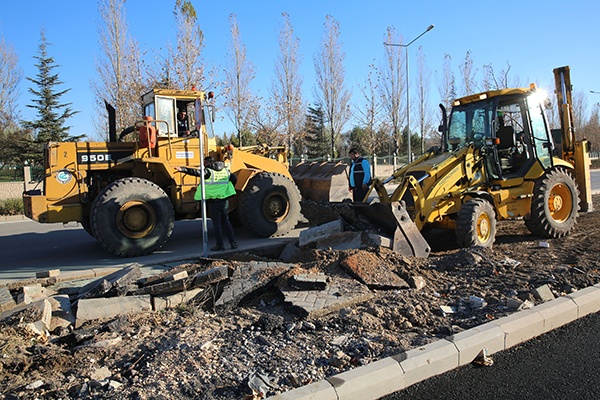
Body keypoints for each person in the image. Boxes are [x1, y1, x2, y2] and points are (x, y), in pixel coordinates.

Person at [176, 156, 238, 251]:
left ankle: (220, 245)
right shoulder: (225, 171)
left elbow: (196, 173)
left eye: (205, 163)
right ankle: (233, 243)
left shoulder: (208, 172)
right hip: (224, 200)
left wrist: (183, 169)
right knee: (226, 222)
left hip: (214, 202)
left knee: (217, 224)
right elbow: (234, 179)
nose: (204, 165)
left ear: (209, 163)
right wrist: (226, 188)